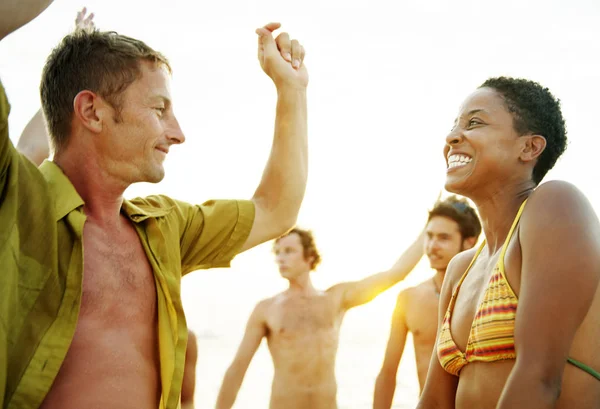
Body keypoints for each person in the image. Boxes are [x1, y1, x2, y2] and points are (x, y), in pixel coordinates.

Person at [0, 3, 309, 409]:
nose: (178, 134)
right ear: (92, 111)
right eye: (159, 110)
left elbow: (276, 209)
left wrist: (292, 90)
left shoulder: (165, 228)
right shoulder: (14, 199)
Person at [417, 77, 600, 409]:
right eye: (455, 125)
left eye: (475, 123)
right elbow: (434, 401)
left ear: (529, 148)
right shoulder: (460, 268)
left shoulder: (557, 205)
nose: (452, 136)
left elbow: (540, 379)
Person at [215, 226, 426, 409]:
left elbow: (395, 273)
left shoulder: (336, 299)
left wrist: (428, 229)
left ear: (310, 257)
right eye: (277, 252)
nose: (280, 258)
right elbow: (237, 369)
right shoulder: (266, 309)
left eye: (288, 251)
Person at [373, 196, 481, 407]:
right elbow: (388, 373)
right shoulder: (409, 299)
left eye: (443, 238)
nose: (432, 246)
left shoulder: (486, 294)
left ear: (470, 242)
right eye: (429, 236)